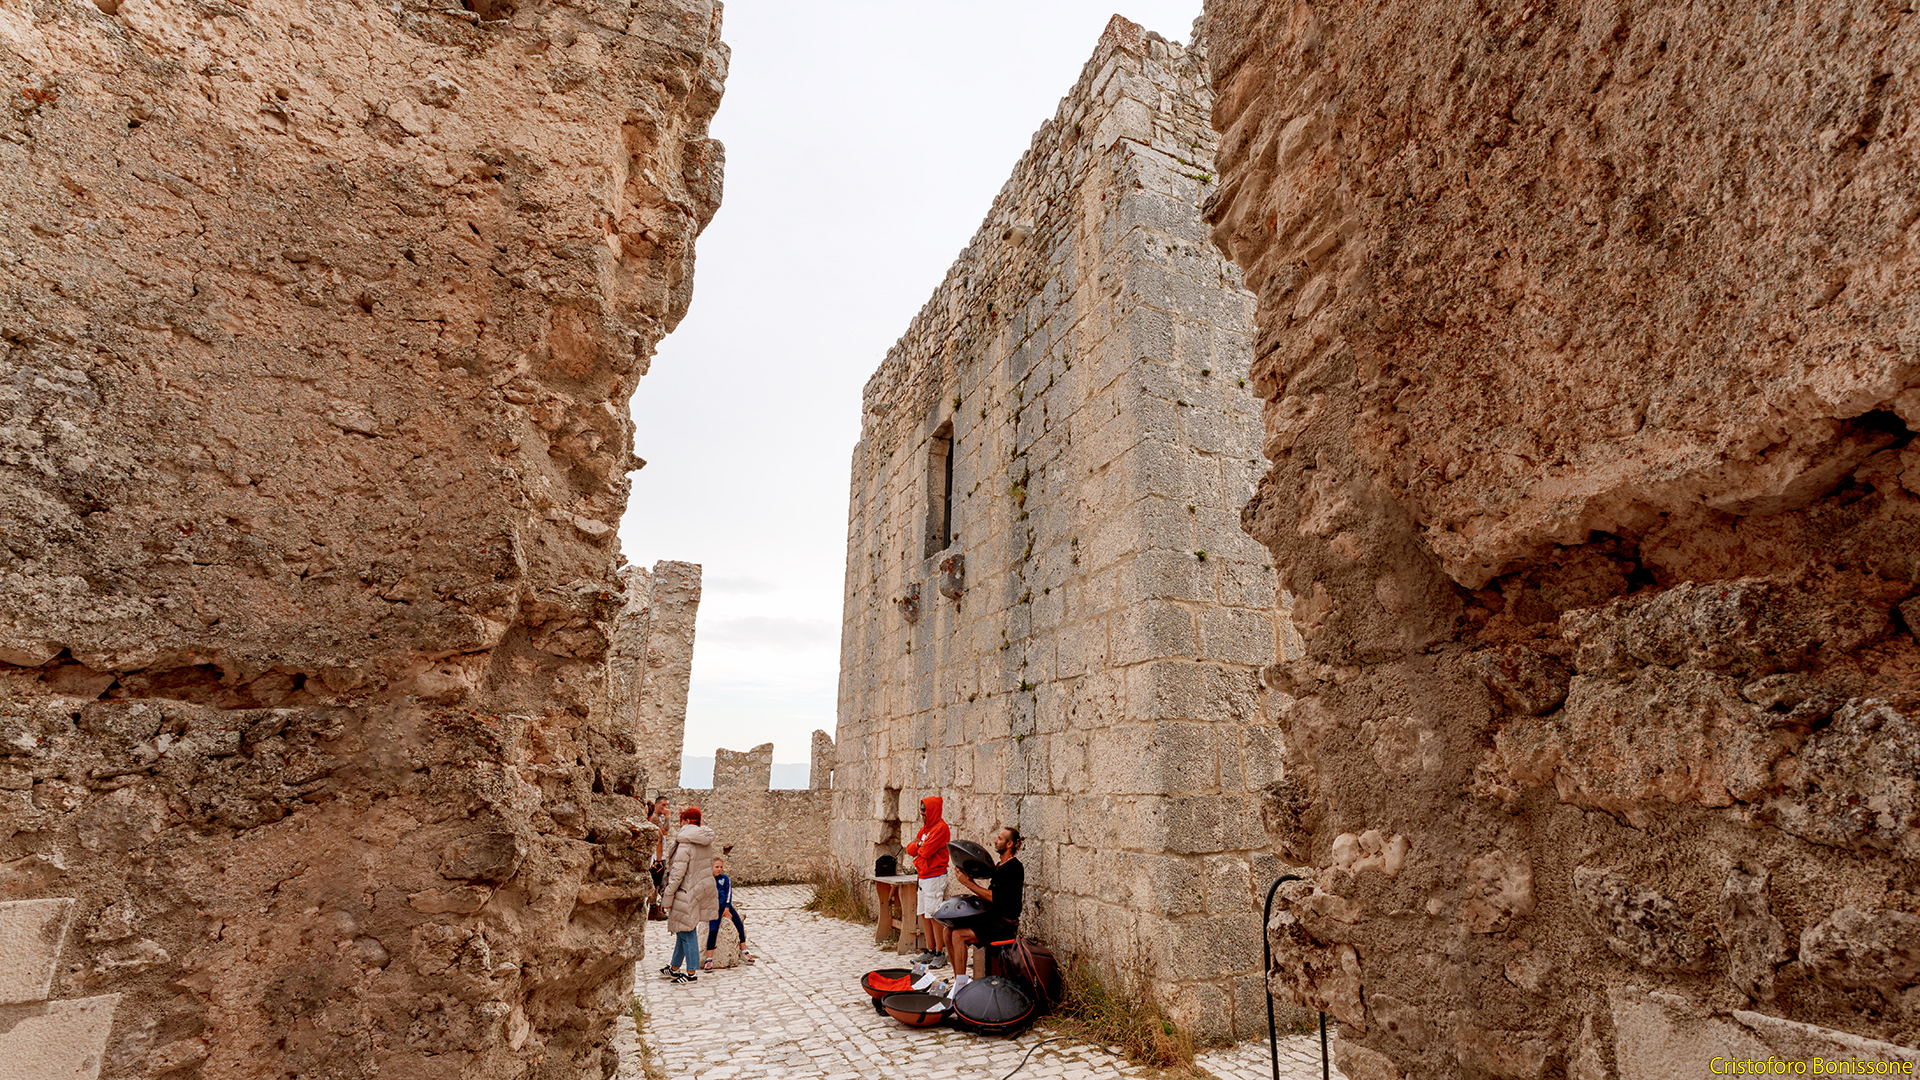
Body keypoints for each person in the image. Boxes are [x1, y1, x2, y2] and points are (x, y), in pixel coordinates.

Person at [949, 826, 1024, 976]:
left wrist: (968, 884)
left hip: (1005, 924)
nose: (995, 841)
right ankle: (958, 978)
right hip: (992, 919)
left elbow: (995, 897)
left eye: (1000, 839)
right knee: (947, 931)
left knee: (958, 935)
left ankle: (960, 986)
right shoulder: (1000, 866)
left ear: (1010, 844)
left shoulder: (1014, 868)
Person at [659, 806, 716, 983]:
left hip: (685, 890)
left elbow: (677, 874)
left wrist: (667, 897)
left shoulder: (685, 843)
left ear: (688, 822)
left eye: (682, 819)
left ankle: (691, 973)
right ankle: (674, 967)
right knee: (682, 929)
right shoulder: (705, 841)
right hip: (700, 889)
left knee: (687, 931)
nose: (679, 822)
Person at [903, 795, 951, 968]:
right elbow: (911, 849)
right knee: (924, 913)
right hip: (923, 875)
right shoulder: (925, 830)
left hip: (934, 875)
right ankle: (930, 950)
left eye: (924, 811)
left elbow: (926, 851)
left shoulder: (940, 828)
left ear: (932, 811)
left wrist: (917, 847)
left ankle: (940, 951)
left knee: (934, 915)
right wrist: (917, 847)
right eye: (921, 811)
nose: (922, 814)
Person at [701, 855, 754, 970]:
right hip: (714, 909)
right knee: (713, 930)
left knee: (739, 925)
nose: (719, 869)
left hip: (726, 906)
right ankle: (709, 959)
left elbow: (728, 893)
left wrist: (726, 908)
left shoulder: (724, 879)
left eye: (721, 867)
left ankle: (744, 951)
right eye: (716, 867)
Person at [646, 795, 671, 921]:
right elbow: (665, 831)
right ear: (656, 806)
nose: (665, 807)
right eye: (663, 805)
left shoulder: (656, 818)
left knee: (657, 884)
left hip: (658, 856)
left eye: (667, 805)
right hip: (656, 857)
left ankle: (655, 907)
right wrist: (667, 817)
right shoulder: (655, 818)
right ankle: (652, 908)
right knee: (655, 883)